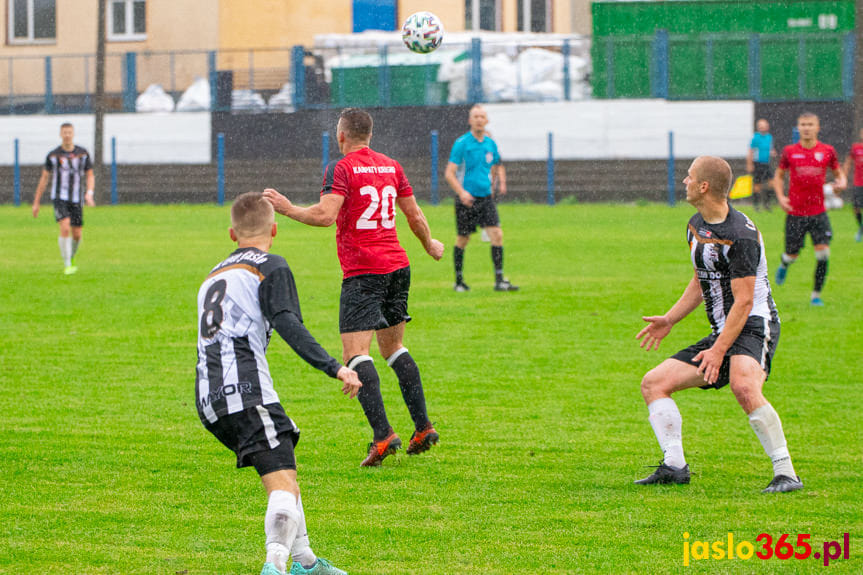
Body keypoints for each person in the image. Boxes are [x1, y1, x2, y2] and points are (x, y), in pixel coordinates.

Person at [263, 108, 445, 467]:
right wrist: (429, 245)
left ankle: (383, 436)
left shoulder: (341, 169)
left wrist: (286, 208)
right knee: (394, 349)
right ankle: (423, 427)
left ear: (341, 135)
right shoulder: (392, 166)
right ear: (370, 136)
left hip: (364, 271)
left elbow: (324, 215)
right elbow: (415, 216)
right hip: (398, 267)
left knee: (356, 355)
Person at [196, 192, 360, 575]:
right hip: (246, 390)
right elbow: (288, 324)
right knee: (283, 485)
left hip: (208, 397)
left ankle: (306, 563)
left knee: (284, 469)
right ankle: (276, 565)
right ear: (274, 229)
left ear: (232, 234)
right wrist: (334, 367)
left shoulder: (213, 275)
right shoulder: (270, 265)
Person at [635, 156, 802, 494]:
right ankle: (675, 466)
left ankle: (786, 474)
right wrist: (670, 319)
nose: (684, 181)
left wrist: (718, 349)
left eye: (689, 176)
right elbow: (701, 279)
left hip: (754, 324)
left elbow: (743, 301)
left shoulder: (741, 236)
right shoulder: (696, 225)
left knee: (743, 385)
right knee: (653, 383)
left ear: (704, 186)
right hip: (722, 332)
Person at [773, 112, 846, 305]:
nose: (806, 128)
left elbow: (839, 173)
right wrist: (781, 197)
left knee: (823, 253)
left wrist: (842, 182)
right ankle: (784, 262)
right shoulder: (789, 151)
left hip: (818, 212)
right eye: (803, 124)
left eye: (810, 124)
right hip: (795, 213)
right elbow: (779, 176)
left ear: (817, 127)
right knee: (792, 254)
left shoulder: (827, 151)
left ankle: (816, 295)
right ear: (798, 128)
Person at [445, 104, 518, 292]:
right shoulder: (462, 143)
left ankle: (499, 280)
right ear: (470, 120)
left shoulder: (490, 144)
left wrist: (494, 185)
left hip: (485, 198)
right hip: (466, 200)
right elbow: (449, 173)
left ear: (486, 121)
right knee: (463, 239)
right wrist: (462, 192)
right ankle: (459, 281)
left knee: (497, 235)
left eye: (481, 117)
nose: (478, 119)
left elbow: (494, 166)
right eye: (475, 116)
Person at [32, 122, 95, 275]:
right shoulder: (53, 155)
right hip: (59, 197)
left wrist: (89, 193)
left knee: (77, 234)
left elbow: (90, 175)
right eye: (64, 132)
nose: (67, 135)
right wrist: (36, 202)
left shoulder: (83, 153)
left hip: (77, 198)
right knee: (65, 227)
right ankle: (67, 264)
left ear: (73, 134)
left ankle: (70, 256)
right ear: (61, 134)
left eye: (69, 132)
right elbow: (44, 178)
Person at [746, 118, 775, 211]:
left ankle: (767, 204)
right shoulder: (755, 137)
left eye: (764, 126)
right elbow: (751, 151)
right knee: (757, 186)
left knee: (771, 183)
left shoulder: (769, 137)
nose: (762, 128)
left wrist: (773, 152)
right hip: (757, 164)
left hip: (766, 163)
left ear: (767, 127)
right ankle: (756, 205)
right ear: (758, 127)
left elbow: (770, 148)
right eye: (760, 126)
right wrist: (749, 164)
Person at [842, 128, 863, 242]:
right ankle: (861, 227)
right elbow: (848, 162)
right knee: (856, 208)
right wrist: (843, 177)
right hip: (858, 183)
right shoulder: (856, 148)